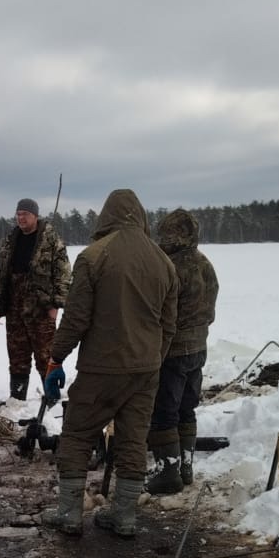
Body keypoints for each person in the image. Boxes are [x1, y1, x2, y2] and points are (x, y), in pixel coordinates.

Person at [42, 188, 178, 538]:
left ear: (106, 216)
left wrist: (56, 357)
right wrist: (153, 360)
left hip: (101, 369)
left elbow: (76, 318)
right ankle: (125, 516)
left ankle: (69, 514)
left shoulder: (93, 256)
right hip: (145, 370)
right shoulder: (164, 262)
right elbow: (168, 325)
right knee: (133, 440)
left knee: (77, 434)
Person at [145, 208, 219, 493]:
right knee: (187, 408)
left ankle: (168, 472)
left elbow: (157, 309)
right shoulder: (204, 263)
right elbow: (210, 309)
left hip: (173, 350)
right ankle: (185, 467)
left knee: (164, 410)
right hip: (198, 348)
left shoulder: (170, 267)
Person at [0, 197, 71, 400]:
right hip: (14, 307)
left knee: (46, 356)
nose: (21, 218)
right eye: (18, 214)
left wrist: (56, 305)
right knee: (17, 357)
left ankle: (52, 398)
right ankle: (17, 399)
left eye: (25, 214)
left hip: (41, 307)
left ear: (35, 216)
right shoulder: (9, 240)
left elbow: (63, 273)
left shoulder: (50, 240)